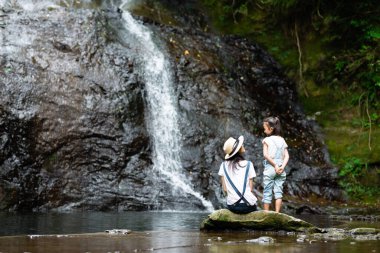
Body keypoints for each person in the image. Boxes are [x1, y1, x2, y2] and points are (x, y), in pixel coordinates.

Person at [218, 136, 258, 214]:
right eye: (241, 145)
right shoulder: (249, 164)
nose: (242, 145)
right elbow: (250, 189)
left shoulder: (223, 166)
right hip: (248, 206)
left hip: (233, 206)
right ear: (239, 149)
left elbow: (225, 189)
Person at [262, 116, 289, 213]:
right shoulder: (282, 140)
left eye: (265, 129)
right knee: (278, 192)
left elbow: (265, 155)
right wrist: (282, 166)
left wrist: (275, 165)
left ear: (271, 129)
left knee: (267, 191)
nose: (264, 131)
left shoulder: (266, 140)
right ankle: (277, 213)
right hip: (281, 169)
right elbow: (287, 156)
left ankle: (266, 213)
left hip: (270, 168)